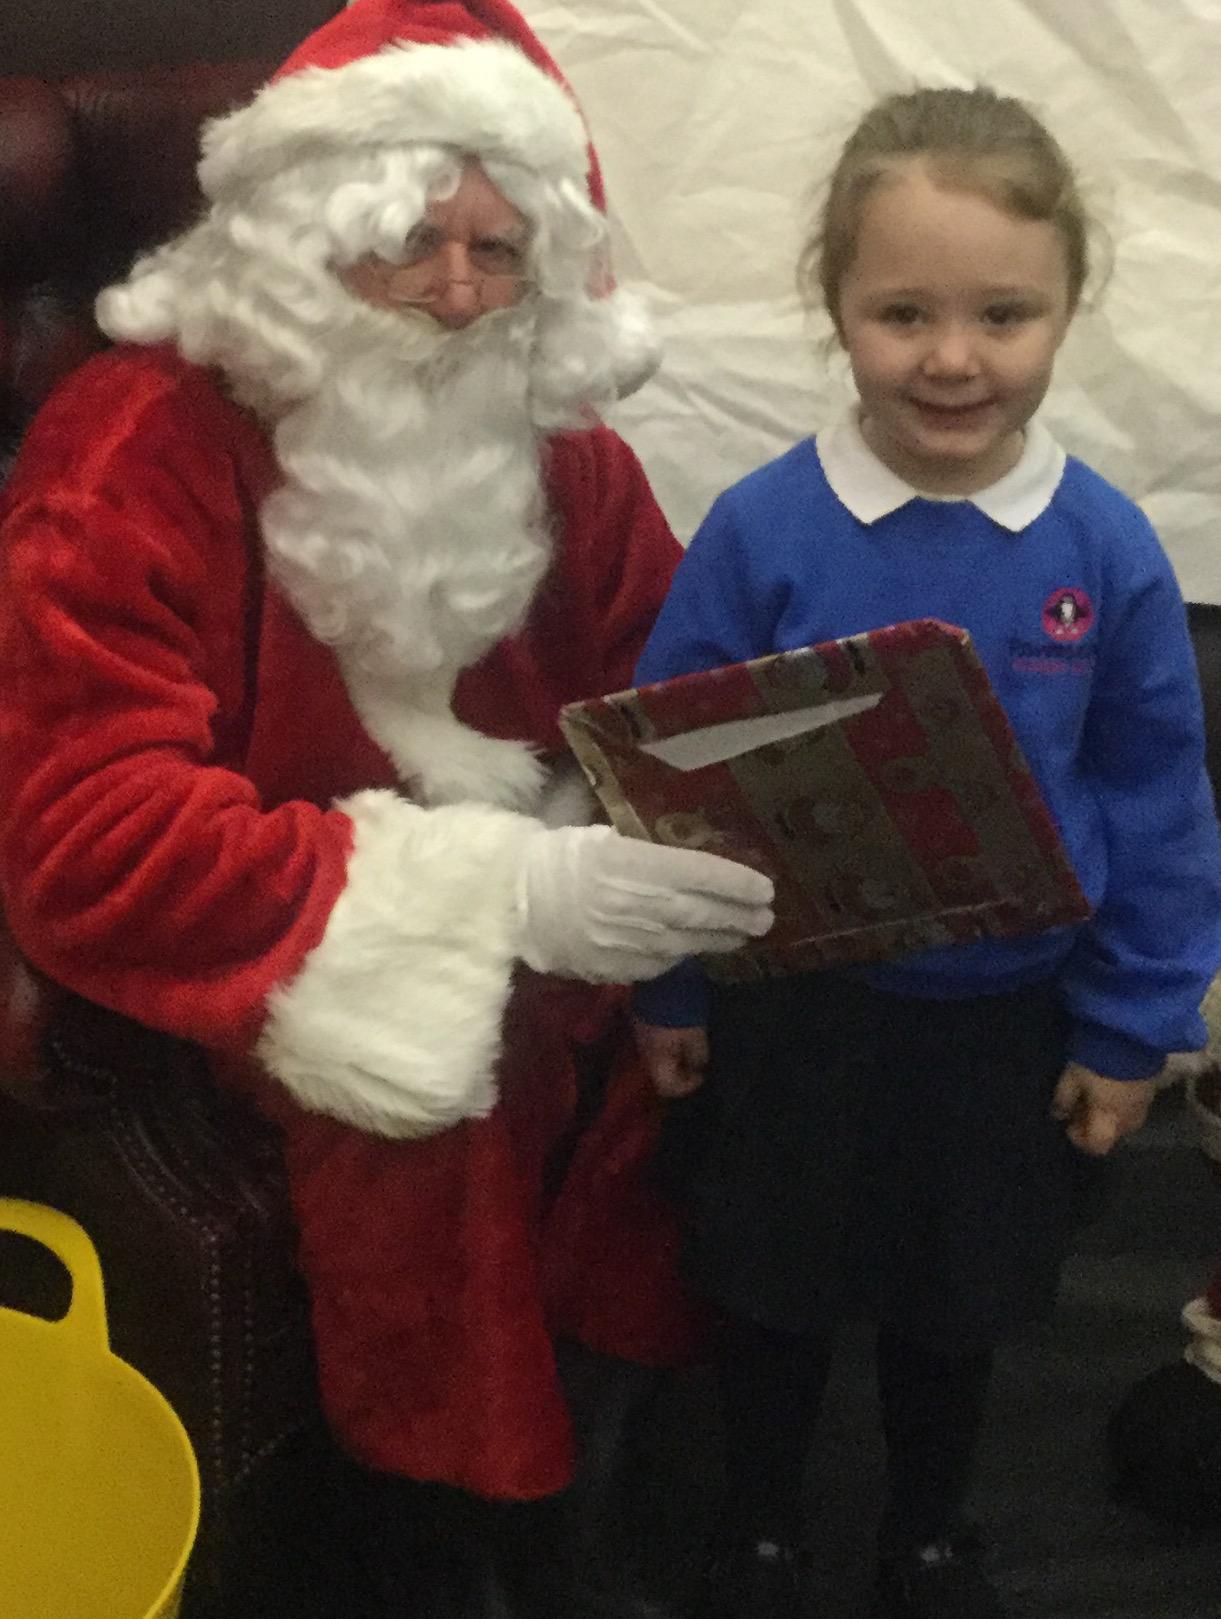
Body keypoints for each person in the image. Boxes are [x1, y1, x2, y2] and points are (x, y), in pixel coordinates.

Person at [0, 2, 775, 1615]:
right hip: (267, 923)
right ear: (300, 246)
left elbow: (669, 694)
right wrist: (501, 896)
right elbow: (88, 834)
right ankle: (450, 1531)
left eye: (501, 253)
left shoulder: (563, 457)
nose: (460, 294)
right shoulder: (130, 450)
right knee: (429, 1076)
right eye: (412, 243)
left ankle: (645, 1472)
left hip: (547, 884)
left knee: (735, 1039)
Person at [630, 85, 1221, 1619]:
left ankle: (929, 1527)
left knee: (954, 1307)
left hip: (1002, 1019)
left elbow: (1155, 796)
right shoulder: (761, 531)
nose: (952, 358)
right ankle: (758, 1522)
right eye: (903, 313)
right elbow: (672, 780)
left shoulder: (1103, 548)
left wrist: (1130, 1025)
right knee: (767, 1290)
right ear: (834, 306)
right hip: (793, 1009)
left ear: (1066, 308)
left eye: (1000, 314)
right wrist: (671, 988)